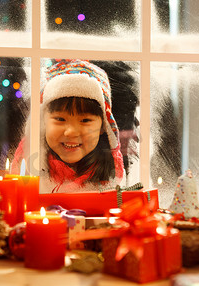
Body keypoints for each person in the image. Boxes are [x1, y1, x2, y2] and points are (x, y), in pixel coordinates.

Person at [11, 60, 125, 193]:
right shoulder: (27, 162)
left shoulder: (109, 171)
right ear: (43, 122)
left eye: (85, 120)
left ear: (103, 127)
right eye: (60, 119)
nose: (71, 132)